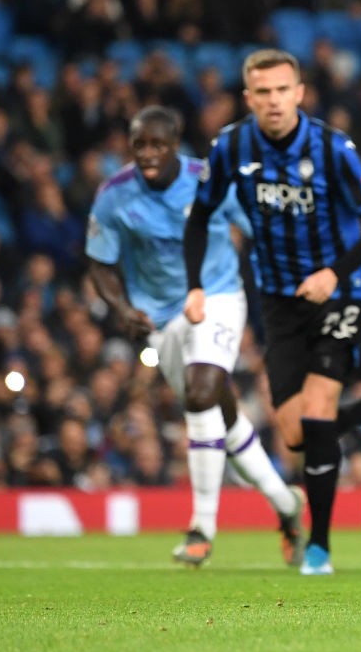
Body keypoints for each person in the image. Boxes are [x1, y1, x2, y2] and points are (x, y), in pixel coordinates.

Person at [184, 49, 361, 576]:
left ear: (299, 93)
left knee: (319, 411)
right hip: (278, 300)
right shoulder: (231, 147)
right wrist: (194, 286)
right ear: (248, 98)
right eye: (264, 92)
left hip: (338, 294)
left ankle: (319, 546)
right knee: (297, 433)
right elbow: (199, 216)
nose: (274, 101)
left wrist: (335, 272)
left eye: (283, 90)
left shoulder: (332, 148)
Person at [86, 105, 306, 567]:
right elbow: (101, 262)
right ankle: (286, 505)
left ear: (175, 143)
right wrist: (123, 308)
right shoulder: (113, 196)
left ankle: (201, 528)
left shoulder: (209, 179)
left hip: (218, 294)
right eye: (139, 145)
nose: (148, 153)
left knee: (203, 391)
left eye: (157, 145)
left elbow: (257, 227)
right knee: (218, 414)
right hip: (162, 319)